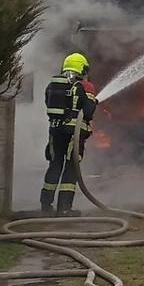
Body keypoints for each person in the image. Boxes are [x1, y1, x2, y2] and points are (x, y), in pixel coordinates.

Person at [41, 52, 98, 216]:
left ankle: (45, 206)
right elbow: (88, 112)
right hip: (73, 133)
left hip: (54, 131)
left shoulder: (53, 84)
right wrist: (93, 101)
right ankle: (64, 208)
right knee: (71, 168)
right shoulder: (84, 86)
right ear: (82, 68)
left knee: (54, 165)